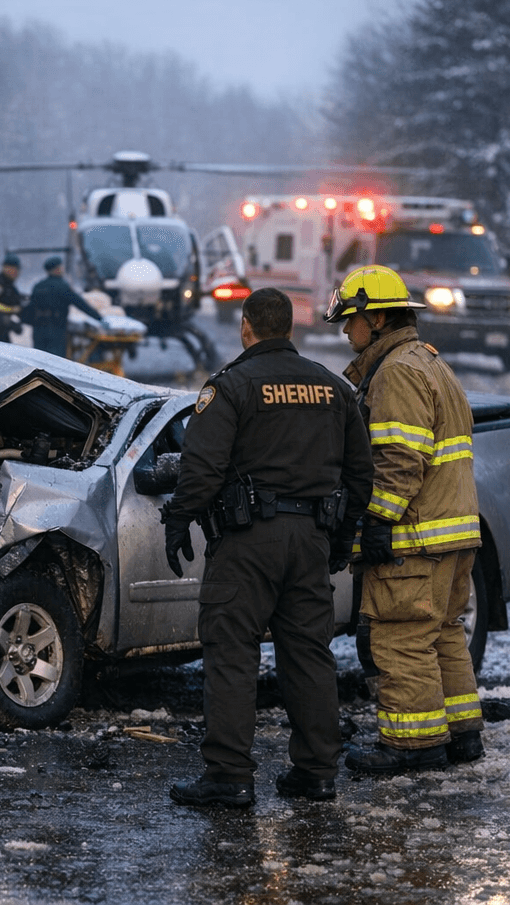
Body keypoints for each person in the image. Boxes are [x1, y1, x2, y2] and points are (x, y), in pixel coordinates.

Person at [164, 287, 373, 807]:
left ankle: (229, 776)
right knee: (308, 656)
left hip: (246, 544)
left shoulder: (230, 388)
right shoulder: (333, 389)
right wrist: (339, 540)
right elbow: (361, 476)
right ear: (291, 328)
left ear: (246, 327)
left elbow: (202, 468)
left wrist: (177, 521)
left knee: (232, 654)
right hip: (310, 542)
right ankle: (317, 772)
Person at [325, 264, 485, 775]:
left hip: (415, 535)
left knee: (401, 637)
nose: (345, 331)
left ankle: (412, 744)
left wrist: (376, 522)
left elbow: (398, 460)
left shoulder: (395, 373)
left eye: (350, 320)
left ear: (375, 319)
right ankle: (462, 735)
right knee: (442, 633)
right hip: (454, 531)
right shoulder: (431, 362)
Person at [26, 255, 104, 357]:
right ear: (57, 269)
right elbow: (80, 304)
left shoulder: (38, 286)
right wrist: (99, 318)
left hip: (38, 330)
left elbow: (31, 307)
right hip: (56, 329)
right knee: (56, 362)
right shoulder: (62, 286)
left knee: (39, 360)